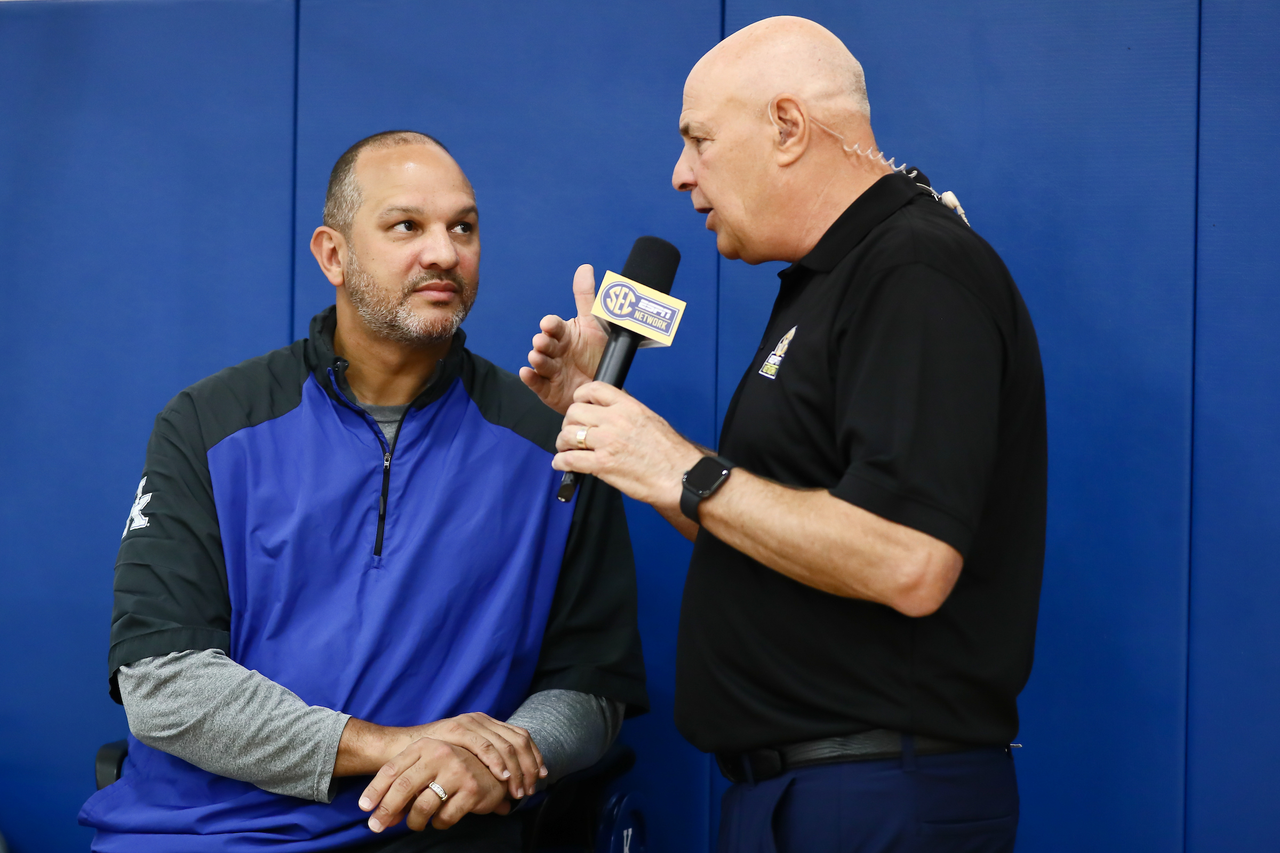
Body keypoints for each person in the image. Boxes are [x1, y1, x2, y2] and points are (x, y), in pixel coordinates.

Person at [521, 16, 1045, 853]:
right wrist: (628, 442)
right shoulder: (830, 280)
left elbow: (910, 560)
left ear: (788, 127)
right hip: (802, 797)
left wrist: (684, 467)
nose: (681, 175)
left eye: (698, 140)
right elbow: (772, 525)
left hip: (874, 799)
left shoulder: (914, 270)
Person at [78, 131, 647, 853]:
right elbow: (162, 684)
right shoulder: (210, 423)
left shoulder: (556, 439)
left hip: (430, 830)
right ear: (333, 254)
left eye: (463, 227)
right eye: (407, 225)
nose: (444, 252)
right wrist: (393, 745)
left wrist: (497, 756)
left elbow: (592, 688)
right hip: (199, 833)